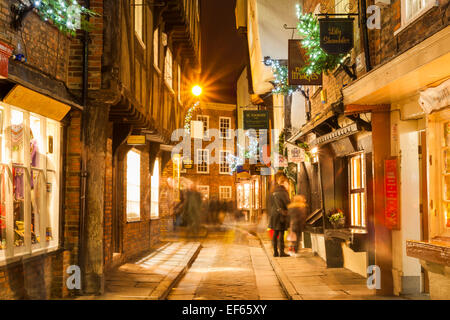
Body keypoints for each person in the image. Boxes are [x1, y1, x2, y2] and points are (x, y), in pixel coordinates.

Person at [269, 172, 291, 257]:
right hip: (281, 215)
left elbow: (270, 204)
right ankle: (281, 252)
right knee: (281, 233)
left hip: (274, 214)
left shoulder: (273, 191)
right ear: (284, 182)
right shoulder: (283, 192)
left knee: (275, 233)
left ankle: (275, 252)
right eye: (286, 182)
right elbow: (288, 204)